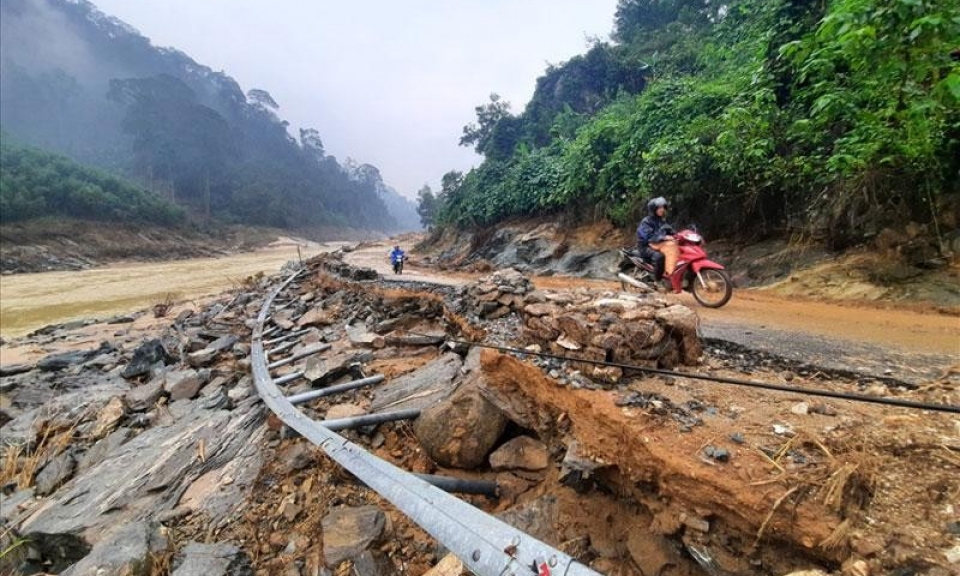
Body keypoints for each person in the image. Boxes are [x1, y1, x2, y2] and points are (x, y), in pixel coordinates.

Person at [636, 197, 679, 286]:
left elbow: (671, 231)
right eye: (659, 208)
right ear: (653, 209)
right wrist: (664, 237)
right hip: (645, 246)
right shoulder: (646, 221)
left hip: (658, 245)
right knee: (659, 257)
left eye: (663, 207)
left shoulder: (662, 221)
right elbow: (648, 237)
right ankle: (657, 281)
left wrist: (678, 235)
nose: (662, 209)